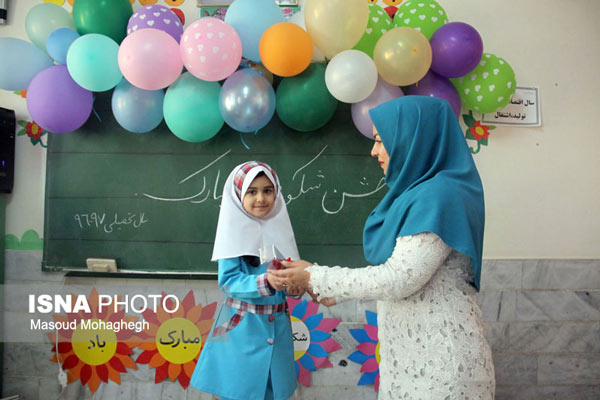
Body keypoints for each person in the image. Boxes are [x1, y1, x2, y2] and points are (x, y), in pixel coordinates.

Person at [268, 96, 496, 399]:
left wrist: (316, 276)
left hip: (441, 365)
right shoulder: (417, 193)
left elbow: (399, 279)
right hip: (409, 361)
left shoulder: (440, 195)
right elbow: (405, 274)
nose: (374, 151)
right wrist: (330, 289)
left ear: (411, 137)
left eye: (380, 140)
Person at [190, 161, 299, 400]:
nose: (261, 198)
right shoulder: (231, 234)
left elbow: (290, 279)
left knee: (272, 390)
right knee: (241, 390)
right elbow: (229, 281)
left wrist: (296, 285)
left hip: (277, 330)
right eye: (252, 191)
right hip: (242, 332)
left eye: (267, 190)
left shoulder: (281, 229)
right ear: (239, 195)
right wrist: (266, 282)